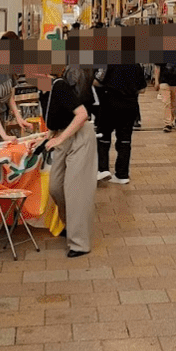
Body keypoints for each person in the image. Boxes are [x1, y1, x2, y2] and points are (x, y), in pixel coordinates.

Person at [40, 64, 97, 258]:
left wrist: (59, 139)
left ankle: (79, 243)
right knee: (55, 187)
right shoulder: (43, 90)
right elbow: (54, 119)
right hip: (62, 136)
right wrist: (45, 138)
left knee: (75, 190)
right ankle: (69, 224)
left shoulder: (59, 86)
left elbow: (82, 115)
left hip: (79, 137)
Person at [94, 63, 147, 182]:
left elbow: (96, 81)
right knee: (125, 140)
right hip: (130, 105)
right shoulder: (136, 65)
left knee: (103, 136)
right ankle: (122, 175)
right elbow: (142, 89)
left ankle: (103, 170)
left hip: (109, 103)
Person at [157, 58, 176, 131]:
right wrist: (156, 80)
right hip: (164, 81)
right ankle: (167, 123)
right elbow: (157, 67)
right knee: (166, 102)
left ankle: (171, 121)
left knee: (174, 104)